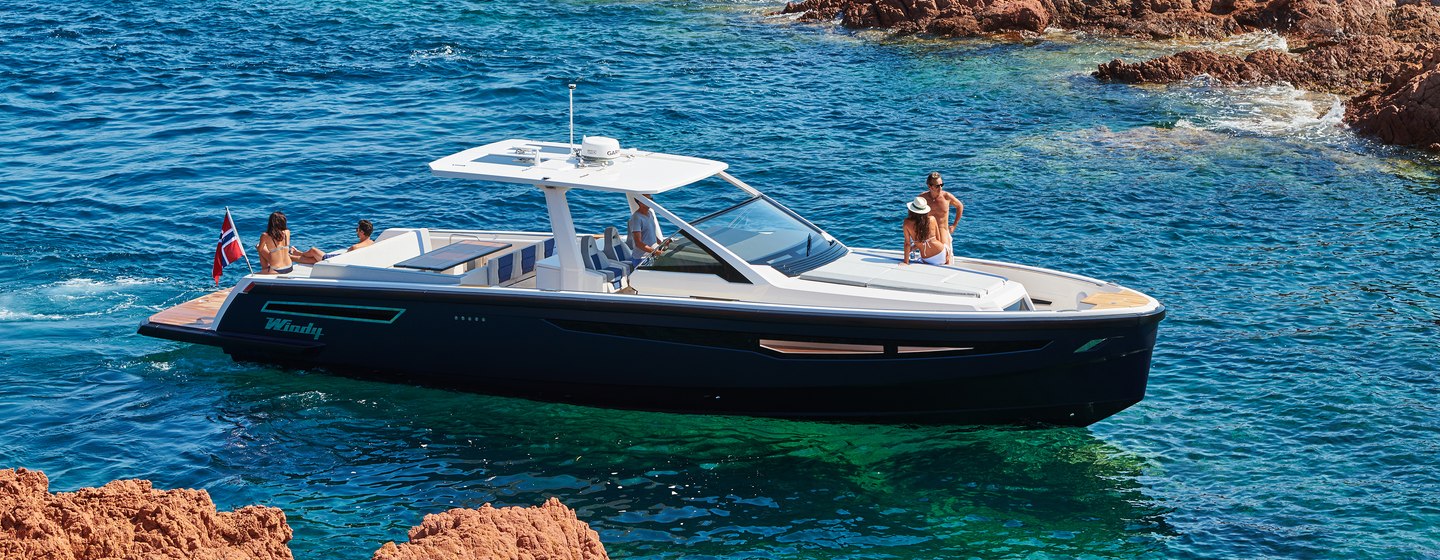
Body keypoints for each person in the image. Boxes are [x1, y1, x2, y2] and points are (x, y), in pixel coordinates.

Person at [919, 171, 962, 265]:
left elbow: (960, 206)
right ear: (930, 186)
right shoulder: (922, 198)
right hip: (929, 232)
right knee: (927, 259)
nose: (940, 188)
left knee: (946, 258)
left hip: (943, 230)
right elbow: (915, 214)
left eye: (942, 185)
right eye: (937, 186)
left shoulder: (946, 197)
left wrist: (954, 225)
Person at [292, 219, 376, 264]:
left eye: (357, 229)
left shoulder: (355, 247)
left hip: (336, 261)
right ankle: (291, 256)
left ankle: (297, 253)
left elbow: (343, 260)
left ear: (361, 232)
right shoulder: (372, 243)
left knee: (313, 250)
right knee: (314, 260)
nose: (356, 231)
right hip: (344, 259)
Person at [902, 196, 947, 265]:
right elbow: (937, 239)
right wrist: (916, 246)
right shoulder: (932, 219)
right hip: (942, 252)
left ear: (911, 210)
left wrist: (906, 262)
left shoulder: (907, 223)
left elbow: (907, 244)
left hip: (927, 258)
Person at [627, 194, 664, 266]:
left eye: (651, 199)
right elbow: (638, 243)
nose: (651, 201)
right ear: (640, 202)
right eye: (648, 200)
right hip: (642, 259)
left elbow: (651, 234)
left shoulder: (650, 214)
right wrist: (656, 252)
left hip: (652, 255)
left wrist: (661, 243)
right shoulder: (636, 218)